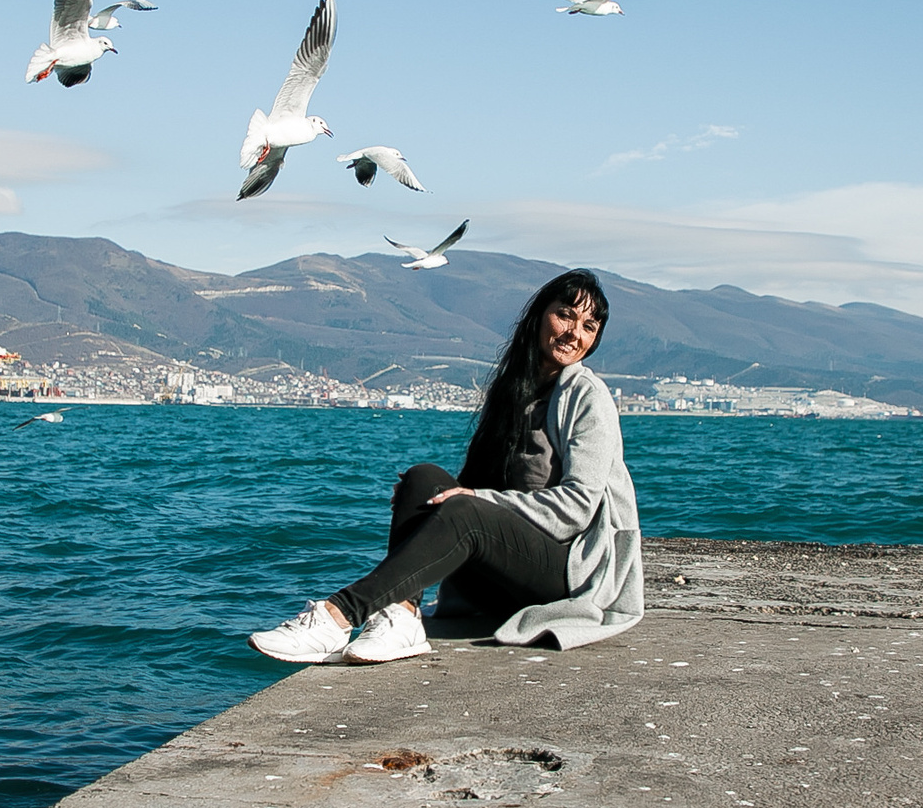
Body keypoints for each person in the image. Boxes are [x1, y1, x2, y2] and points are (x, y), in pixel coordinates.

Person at [249, 269, 643, 665]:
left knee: (466, 509)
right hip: (498, 577)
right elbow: (475, 483)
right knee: (422, 479)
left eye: (589, 326)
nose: (575, 333)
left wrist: (476, 498)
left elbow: (576, 508)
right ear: (540, 315)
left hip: (566, 576)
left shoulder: (588, 397)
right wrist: (421, 499)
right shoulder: (513, 390)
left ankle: (338, 615)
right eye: (566, 315)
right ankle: (401, 617)